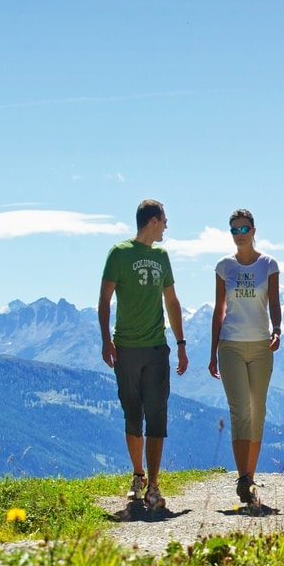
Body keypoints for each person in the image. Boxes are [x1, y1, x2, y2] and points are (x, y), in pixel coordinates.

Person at [98, 198, 189, 511]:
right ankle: (137, 475)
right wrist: (105, 340)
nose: (165, 227)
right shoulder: (119, 253)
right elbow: (105, 299)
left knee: (157, 415)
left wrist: (180, 343)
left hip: (155, 348)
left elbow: (172, 302)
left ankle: (153, 483)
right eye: (164, 220)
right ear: (153, 221)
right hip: (125, 346)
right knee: (133, 414)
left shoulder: (162, 257)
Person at [208, 208, 281, 506]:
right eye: (235, 230)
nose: (240, 235)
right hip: (231, 346)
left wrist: (277, 329)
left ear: (254, 230)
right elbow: (219, 309)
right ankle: (244, 479)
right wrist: (212, 351)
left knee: (257, 411)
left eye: (244, 229)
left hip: (262, 346)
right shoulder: (224, 267)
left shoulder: (269, 264)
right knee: (239, 411)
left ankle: (250, 476)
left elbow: (274, 302)